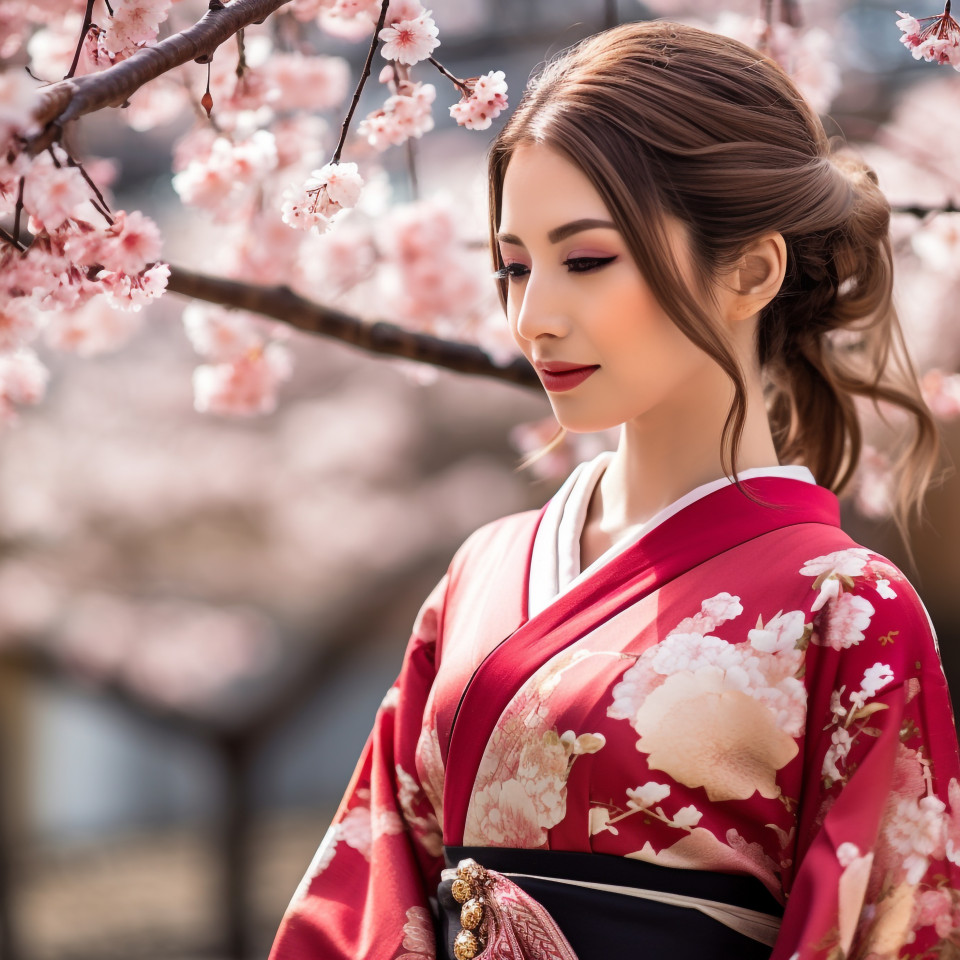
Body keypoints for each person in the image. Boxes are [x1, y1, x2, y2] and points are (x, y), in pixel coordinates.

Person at [268, 19, 960, 960]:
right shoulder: (481, 573)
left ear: (752, 269)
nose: (532, 317)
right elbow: (367, 891)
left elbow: (889, 932)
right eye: (513, 267)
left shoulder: (846, 609)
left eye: (586, 260)